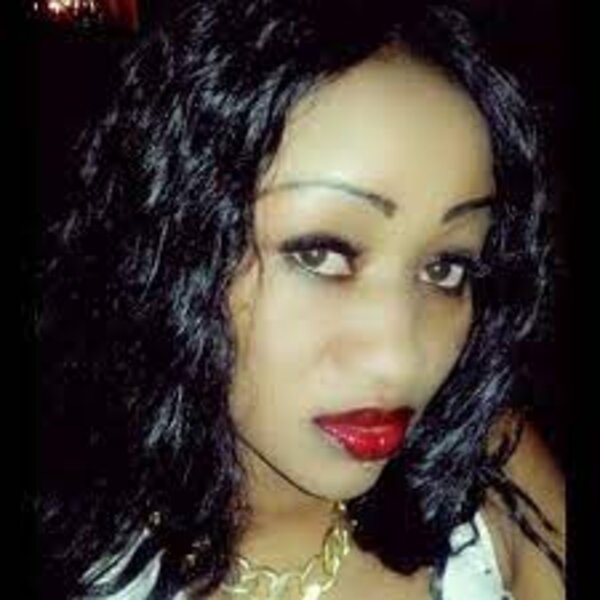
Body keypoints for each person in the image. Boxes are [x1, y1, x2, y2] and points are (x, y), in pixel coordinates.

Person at [35, 1, 566, 598]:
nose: (399, 361)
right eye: (320, 253)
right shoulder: (69, 554)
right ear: (172, 245)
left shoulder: (491, 475)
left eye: (446, 267)